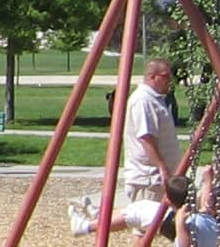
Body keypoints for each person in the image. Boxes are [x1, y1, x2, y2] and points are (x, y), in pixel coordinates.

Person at [68, 57, 180, 235]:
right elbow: (146, 137)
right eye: (166, 76)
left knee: (148, 220)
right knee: (144, 226)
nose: (170, 80)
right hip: (148, 176)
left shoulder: (154, 99)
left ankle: (100, 216)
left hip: (155, 175)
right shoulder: (143, 101)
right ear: (153, 76)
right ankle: (88, 225)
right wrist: (161, 167)